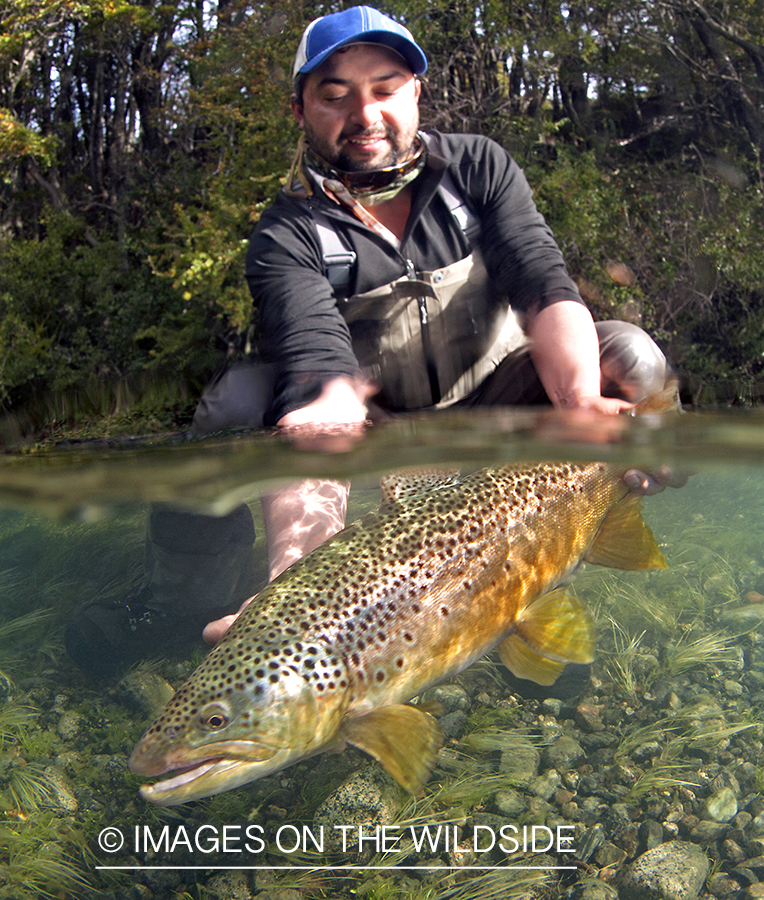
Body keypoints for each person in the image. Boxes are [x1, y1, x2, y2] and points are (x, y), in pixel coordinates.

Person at [66, 5, 677, 675]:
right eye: (335, 95)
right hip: (369, 422)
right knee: (233, 403)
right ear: (299, 110)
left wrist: (581, 400)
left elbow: (543, 284)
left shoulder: (478, 168)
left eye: (384, 87)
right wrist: (299, 592)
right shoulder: (286, 233)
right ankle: (180, 600)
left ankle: (533, 593)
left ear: (415, 90)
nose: (365, 114)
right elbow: (318, 384)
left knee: (631, 359)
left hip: (495, 394)